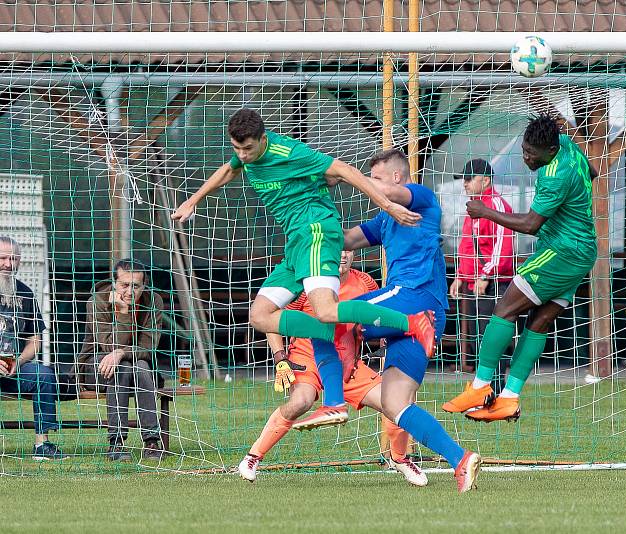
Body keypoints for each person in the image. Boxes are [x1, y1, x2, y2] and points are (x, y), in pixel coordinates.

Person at [171, 109, 435, 430]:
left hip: (315, 232)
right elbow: (229, 169)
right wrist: (193, 200)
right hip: (295, 245)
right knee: (260, 315)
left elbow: (345, 169)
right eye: (237, 148)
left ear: (263, 140)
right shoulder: (244, 155)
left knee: (324, 310)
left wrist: (388, 205)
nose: (243, 155)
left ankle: (411, 322)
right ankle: (332, 347)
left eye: (249, 149)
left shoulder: (288, 151)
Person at [337, 148, 480, 493]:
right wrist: (308, 224)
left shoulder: (421, 197)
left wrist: (341, 172)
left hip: (414, 298)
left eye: (376, 177)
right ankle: (461, 459)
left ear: (397, 177)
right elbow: (346, 239)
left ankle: (332, 401)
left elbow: (387, 194)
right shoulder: (386, 218)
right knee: (394, 403)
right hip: (414, 317)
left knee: (335, 317)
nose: (372, 184)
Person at [443, 114, 597, 422]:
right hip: (581, 252)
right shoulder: (565, 143)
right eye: (524, 150)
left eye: (531, 154)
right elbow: (591, 171)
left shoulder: (555, 175)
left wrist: (484, 211)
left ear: (550, 151)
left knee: (504, 310)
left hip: (561, 251)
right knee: (537, 323)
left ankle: (480, 386)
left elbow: (529, 224)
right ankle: (509, 398)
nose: (526, 157)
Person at [237, 250, 427, 487]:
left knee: (396, 402)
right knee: (301, 402)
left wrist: (388, 335)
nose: (342, 255)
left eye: (347, 249)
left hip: (348, 363)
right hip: (308, 357)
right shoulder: (309, 285)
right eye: (337, 249)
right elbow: (271, 318)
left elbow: (376, 317)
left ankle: (400, 458)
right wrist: (279, 357)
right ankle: (253, 456)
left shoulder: (365, 282)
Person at [73, 259, 165, 461]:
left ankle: (151, 442)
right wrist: (123, 313)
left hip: (136, 367)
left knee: (139, 366)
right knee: (122, 368)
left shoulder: (154, 301)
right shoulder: (96, 301)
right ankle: (116, 442)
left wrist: (121, 353)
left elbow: (148, 348)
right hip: (95, 365)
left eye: (136, 286)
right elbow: (107, 346)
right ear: (114, 283)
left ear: (144, 286)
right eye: (125, 285)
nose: (130, 291)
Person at [449, 158, 515, 384]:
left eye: (469, 179)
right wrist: (460, 275)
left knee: (491, 337)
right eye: (463, 179)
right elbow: (469, 245)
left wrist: (485, 275)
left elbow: (502, 245)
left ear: (485, 180)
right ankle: (485, 385)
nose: (464, 184)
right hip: (475, 282)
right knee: (479, 336)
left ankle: (495, 386)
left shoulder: (495, 205)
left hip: (492, 282)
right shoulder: (475, 208)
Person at [0, 236, 64, 460]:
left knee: (44, 375)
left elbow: (34, 341)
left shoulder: (25, 293)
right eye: (3, 258)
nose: (8, 264)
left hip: (12, 369)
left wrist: (18, 362)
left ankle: (42, 445)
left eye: (13, 258)